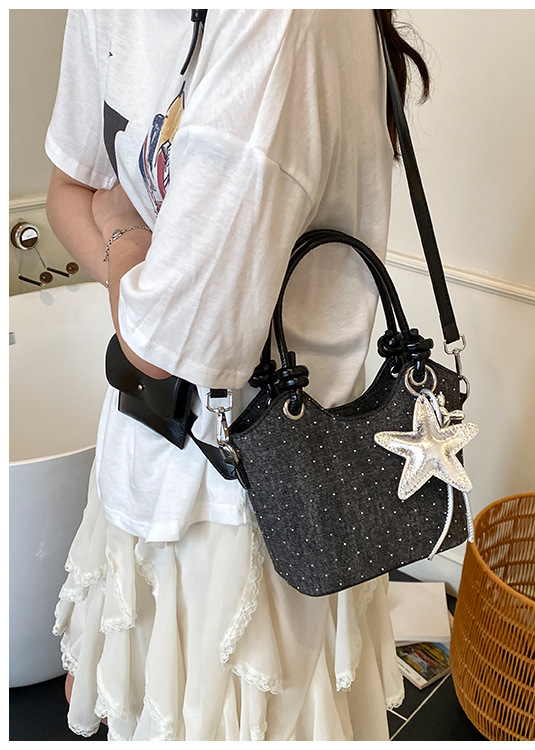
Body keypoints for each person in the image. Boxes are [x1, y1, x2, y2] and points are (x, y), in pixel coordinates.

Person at [44, 9, 431, 741]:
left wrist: (120, 232)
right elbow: (66, 193)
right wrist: (136, 271)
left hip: (259, 507)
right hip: (146, 453)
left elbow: (159, 345)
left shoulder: (280, 24)